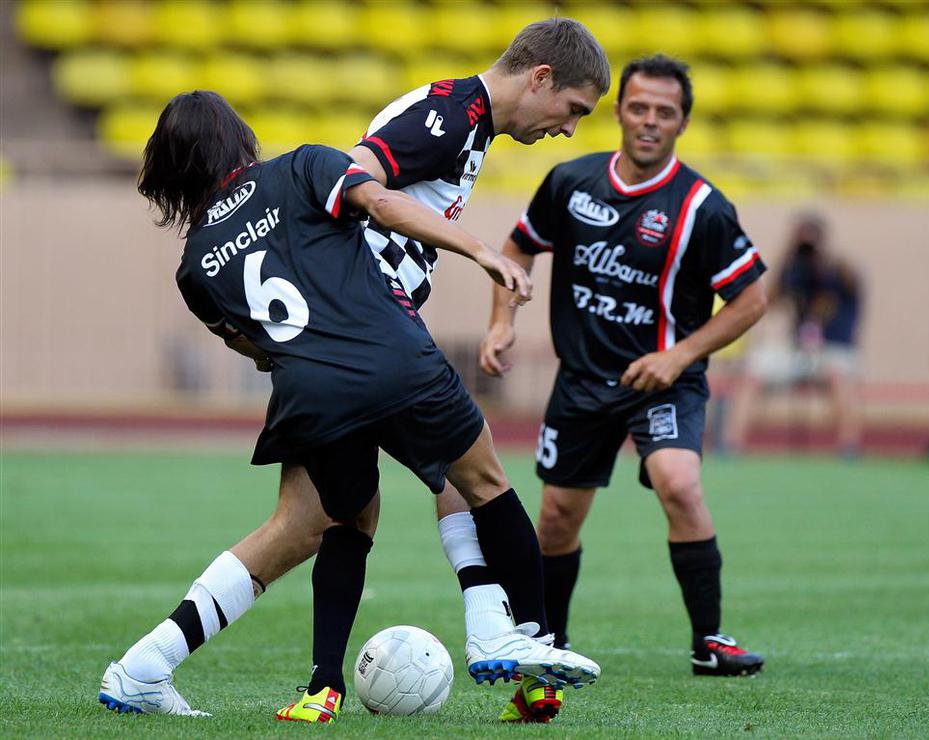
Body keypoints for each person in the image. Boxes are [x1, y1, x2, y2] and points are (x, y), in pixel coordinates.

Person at [98, 90, 600, 722]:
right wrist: (480, 251)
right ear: (239, 140)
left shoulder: (194, 266)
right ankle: (517, 636)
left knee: (342, 522)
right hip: (391, 360)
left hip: (309, 394)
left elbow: (253, 345)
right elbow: (382, 203)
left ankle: (299, 685)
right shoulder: (302, 166)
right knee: (484, 481)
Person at [477, 54, 768, 688]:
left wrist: (679, 356)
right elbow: (518, 246)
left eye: (665, 111)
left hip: (662, 381)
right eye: (639, 108)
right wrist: (502, 322)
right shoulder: (571, 182)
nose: (650, 121)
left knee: (679, 484)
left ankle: (709, 642)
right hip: (582, 381)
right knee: (557, 517)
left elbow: (751, 299)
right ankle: (550, 642)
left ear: (682, 122)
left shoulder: (702, 207)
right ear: (619, 113)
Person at [726, 214, 863, 457]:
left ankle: (848, 447)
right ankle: (731, 445)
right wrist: (786, 263)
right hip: (798, 350)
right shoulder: (794, 269)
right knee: (751, 373)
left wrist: (823, 263)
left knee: (837, 376)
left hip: (833, 350)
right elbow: (769, 302)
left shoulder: (840, 269)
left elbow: (837, 295)